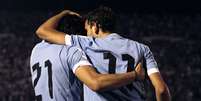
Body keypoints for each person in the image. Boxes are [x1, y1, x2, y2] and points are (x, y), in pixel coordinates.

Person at [36, 7, 171, 101]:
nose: (86, 33)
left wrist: (63, 13)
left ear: (95, 26)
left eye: (87, 29)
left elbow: (42, 31)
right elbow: (161, 89)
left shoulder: (86, 43)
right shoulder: (142, 49)